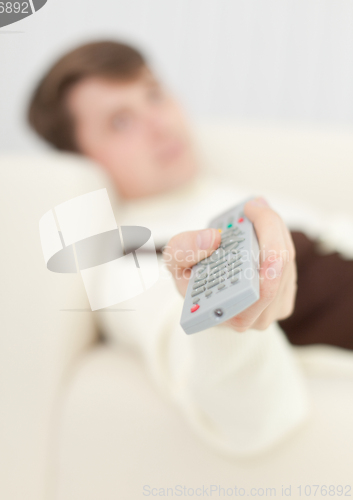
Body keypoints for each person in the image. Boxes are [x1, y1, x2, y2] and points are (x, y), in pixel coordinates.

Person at [27, 40, 353, 456]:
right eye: (121, 122)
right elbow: (253, 421)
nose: (160, 125)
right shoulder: (129, 264)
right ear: (83, 160)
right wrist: (223, 320)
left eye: (155, 95)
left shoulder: (230, 194)